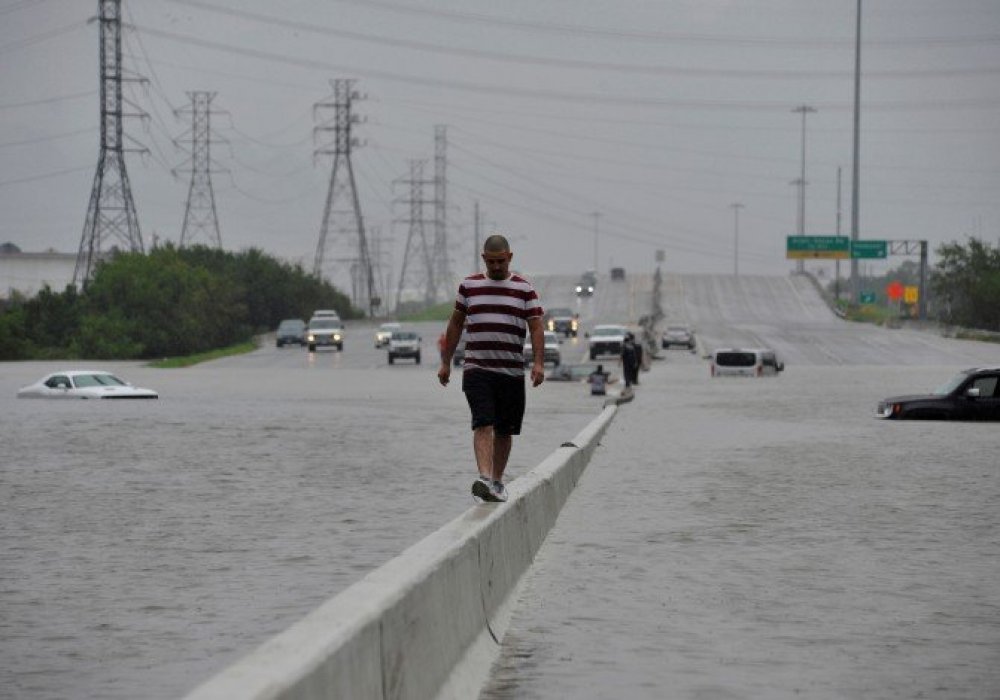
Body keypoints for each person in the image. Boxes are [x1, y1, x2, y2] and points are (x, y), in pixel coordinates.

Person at [437, 234, 545, 503]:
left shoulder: (524, 289)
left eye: (501, 261)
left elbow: (536, 327)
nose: (496, 266)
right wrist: (445, 363)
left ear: (510, 258)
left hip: (511, 372)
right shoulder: (469, 286)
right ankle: (484, 478)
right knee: (483, 422)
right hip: (477, 368)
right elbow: (455, 324)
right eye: (492, 261)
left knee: (505, 430)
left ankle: (497, 481)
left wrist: (539, 363)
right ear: (484, 259)